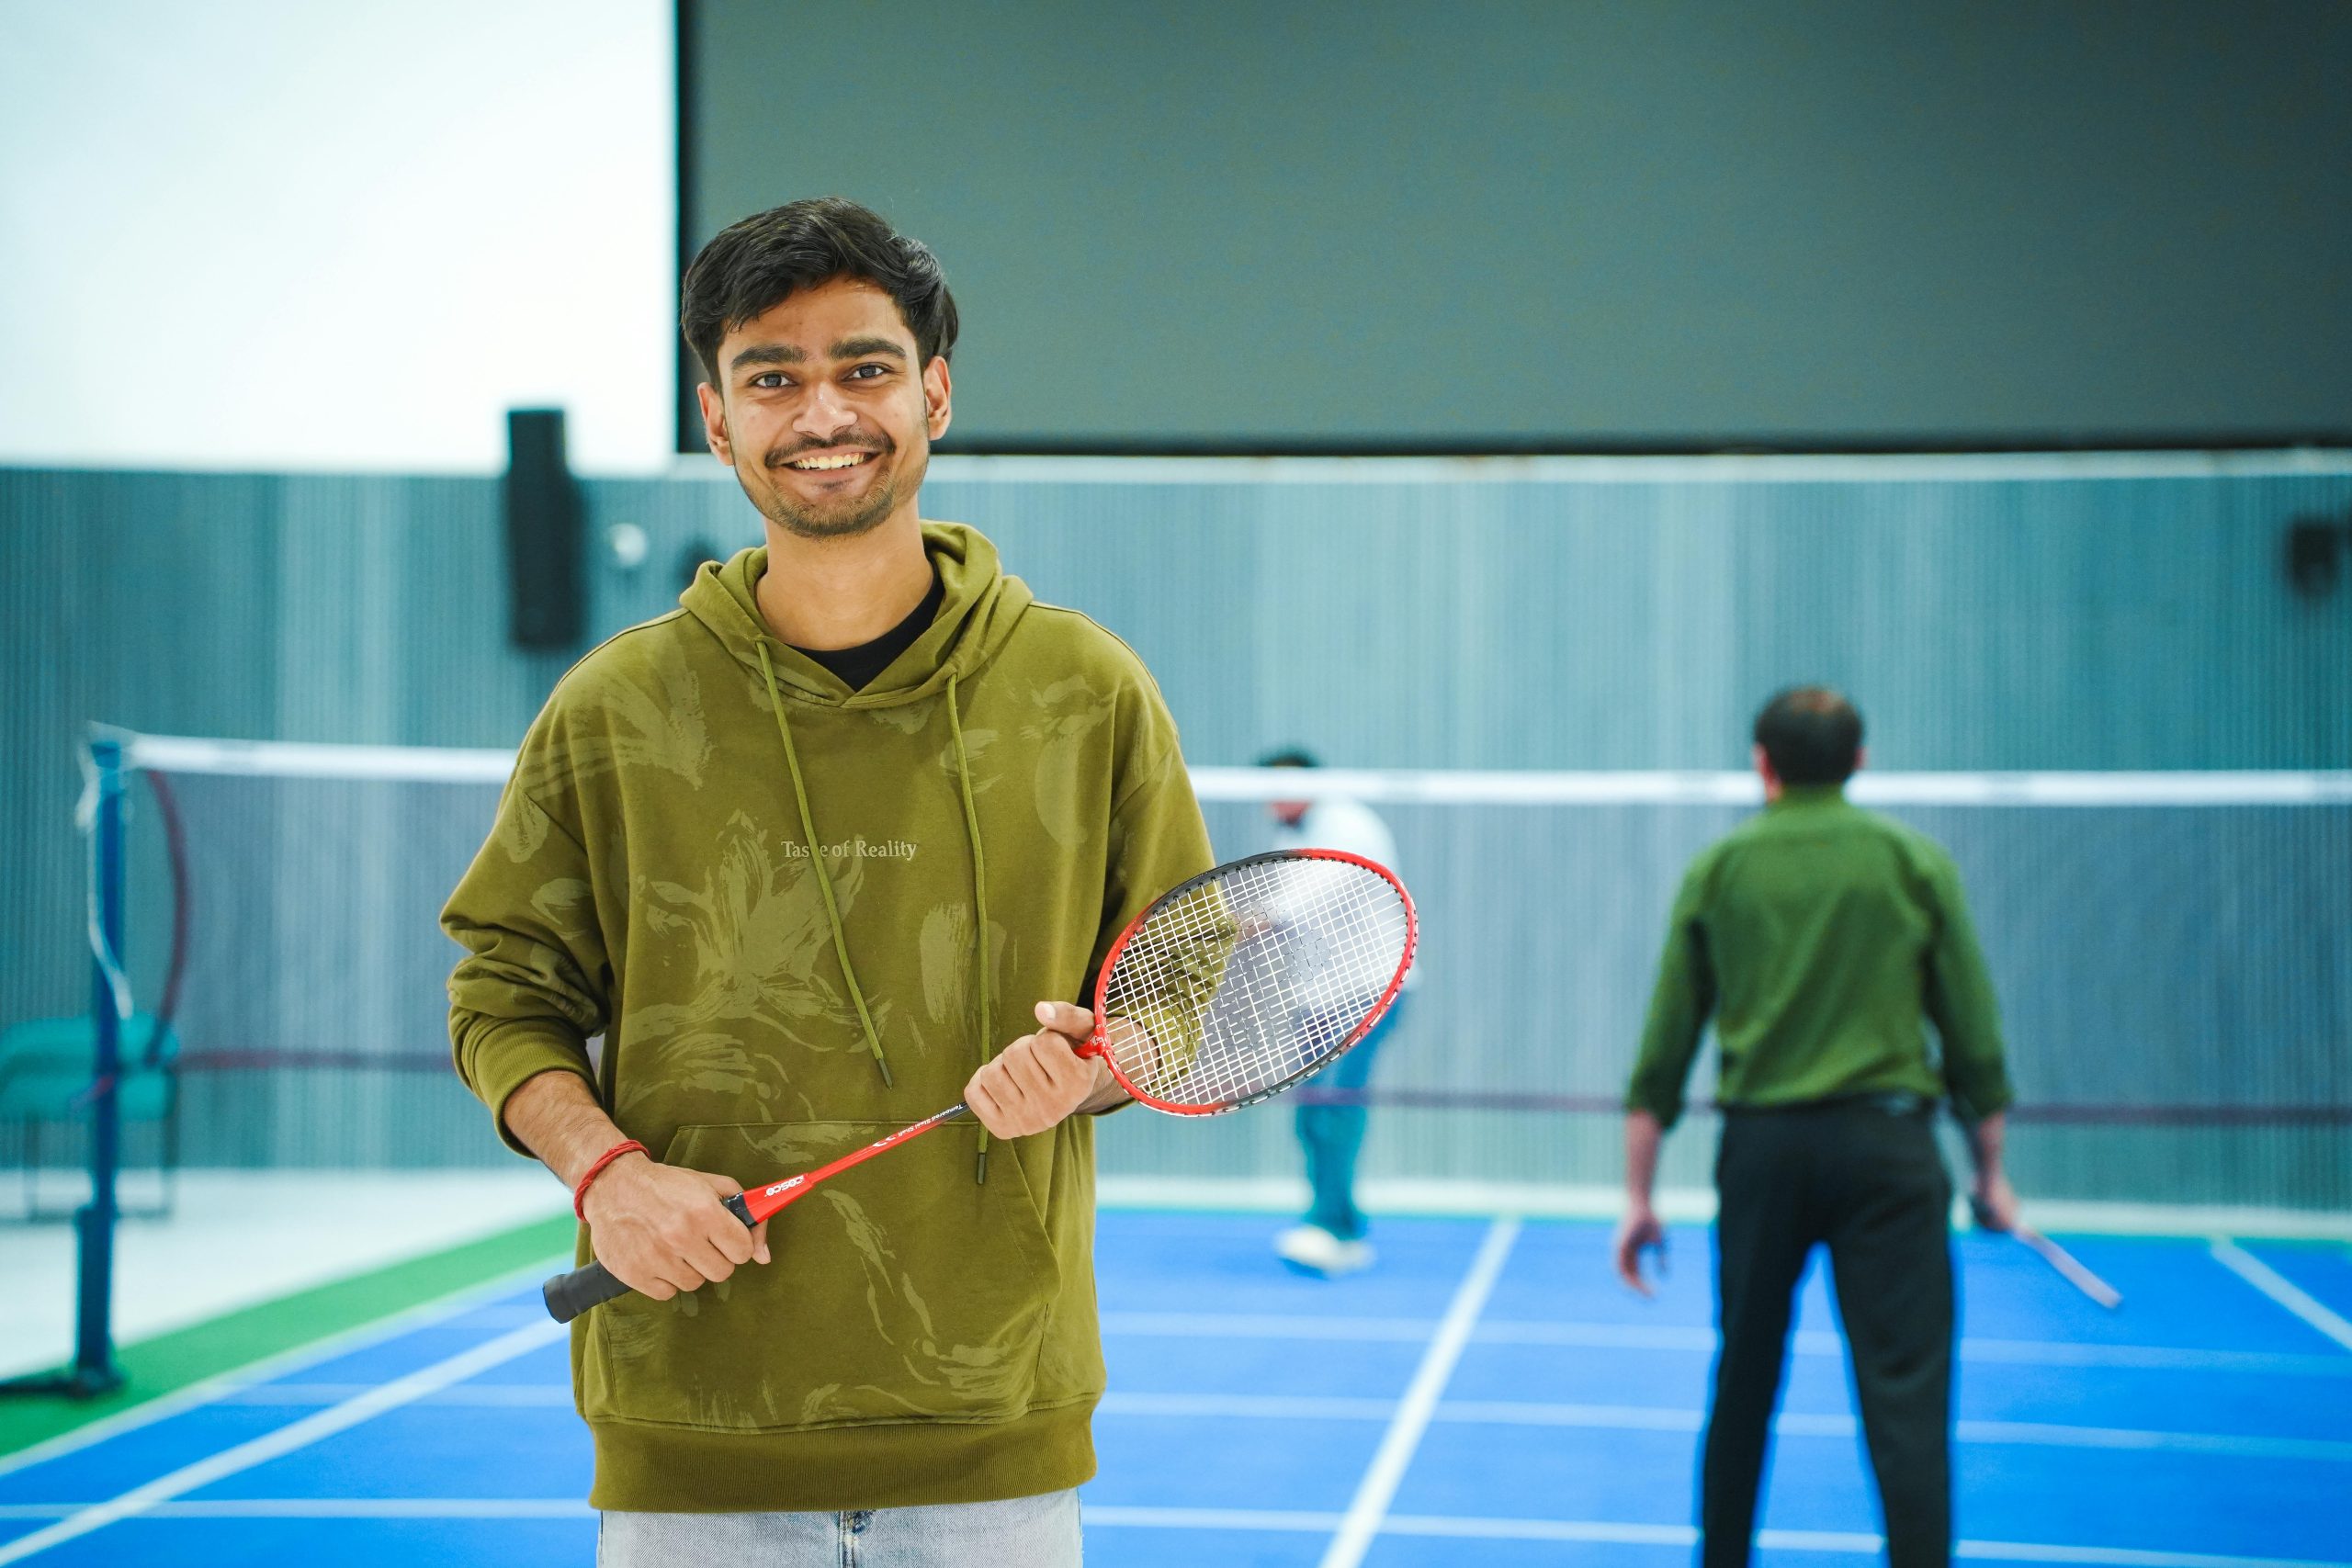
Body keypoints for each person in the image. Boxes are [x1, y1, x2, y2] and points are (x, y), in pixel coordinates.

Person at [441, 197, 1213, 1567]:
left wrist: (1092, 1067)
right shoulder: (616, 706)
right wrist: (607, 1171)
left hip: (995, 1438)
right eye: (771, 375)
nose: (823, 411)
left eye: (863, 366)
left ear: (936, 391)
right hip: (692, 1441)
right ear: (717, 414)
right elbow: (503, 992)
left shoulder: (1084, 692)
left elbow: (1189, 992)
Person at [1614, 687, 2018, 1568]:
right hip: (1891, 1153)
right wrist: (1991, 1174)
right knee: (1906, 1395)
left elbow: (1662, 1051)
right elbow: (1975, 1040)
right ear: (1860, 758)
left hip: (1764, 1155)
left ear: (1762, 761)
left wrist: (1639, 1197)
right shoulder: (1915, 863)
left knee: (1745, 1378)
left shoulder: (1720, 870)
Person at [1261, 748, 1412, 1278]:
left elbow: (1298, 904)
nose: (1274, 798)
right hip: (1317, 1000)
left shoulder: (1347, 825)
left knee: (1332, 1106)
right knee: (1311, 1115)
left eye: (1285, 786)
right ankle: (1341, 1225)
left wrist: (1214, 922)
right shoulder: (1289, 836)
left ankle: (1329, 1227)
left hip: (1371, 992)